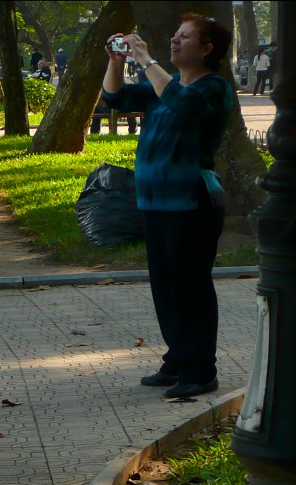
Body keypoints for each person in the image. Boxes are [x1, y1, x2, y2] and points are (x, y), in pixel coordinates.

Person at [102, 14, 233, 399]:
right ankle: (177, 360)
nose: (174, 41)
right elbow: (115, 97)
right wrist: (116, 61)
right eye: (174, 34)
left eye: (185, 37)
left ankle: (201, 370)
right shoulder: (167, 84)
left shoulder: (213, 88)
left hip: (191, 200)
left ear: (206, 49)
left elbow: (184, 104)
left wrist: (145, 61)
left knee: (191, 285)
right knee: (166, 286)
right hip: (155, 202)